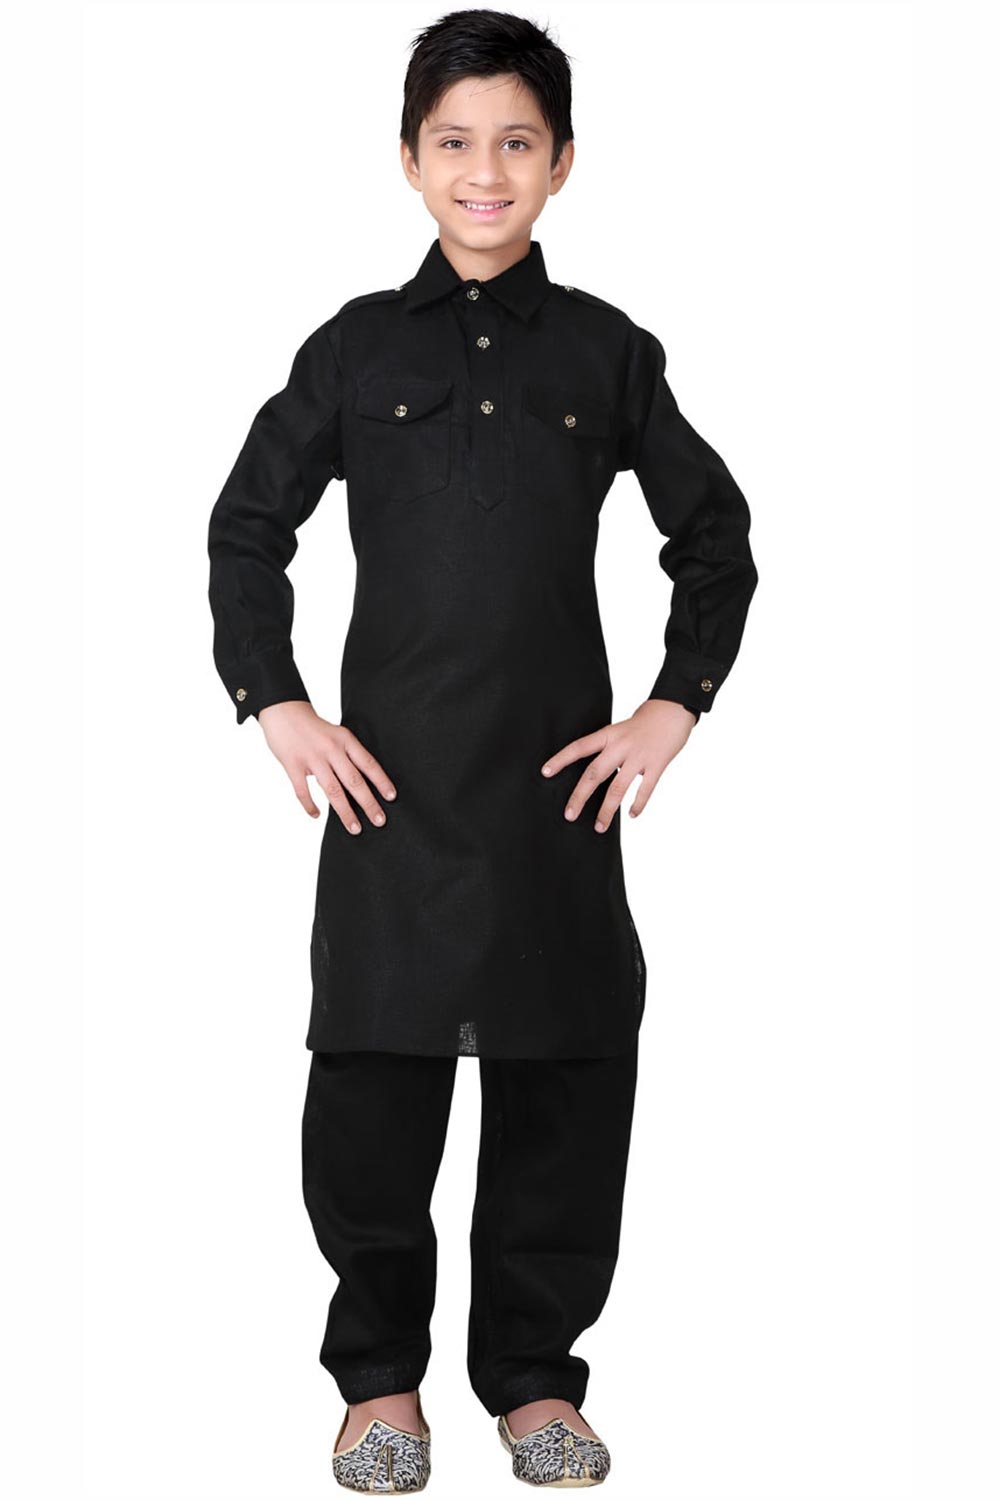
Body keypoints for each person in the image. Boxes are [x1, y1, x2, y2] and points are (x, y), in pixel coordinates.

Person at [207, 8, 758, 1491]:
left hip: (553, 797)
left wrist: (673, 703)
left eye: (518, 141)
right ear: (408, 159)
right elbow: (246, 529)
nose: (486, 171)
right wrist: (275, 700)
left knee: (564, 1086)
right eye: (454, 141)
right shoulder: (353, 348)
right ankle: (379, 1389)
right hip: (387, 798)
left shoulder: (607, 351)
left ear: (563, 161)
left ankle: (534, 1385)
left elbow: (716, 539)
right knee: (371, 1097)